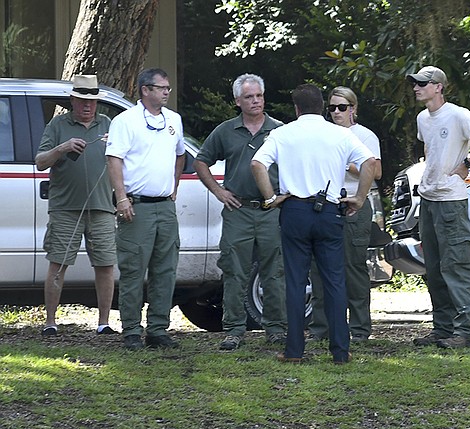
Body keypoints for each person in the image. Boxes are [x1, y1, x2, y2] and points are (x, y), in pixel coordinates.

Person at [251, 83, 378, 364]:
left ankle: (295, 349)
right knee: (335, 280)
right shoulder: (339, 134)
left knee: (296, 281)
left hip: (295, 210)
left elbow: (257, 164)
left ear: (296, 108)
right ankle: (340, 350)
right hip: (330, 211)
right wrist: (359, 197)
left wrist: (271, 198)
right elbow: (370, 162)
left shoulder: (282, 133)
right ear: (322, 106)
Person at [406, 66, 470, 349]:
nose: (417, 88)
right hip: (429, 200)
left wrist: (468, 163)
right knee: (434, 268)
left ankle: (464, 332)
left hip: (451, 201)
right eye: (415, 84)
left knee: (456, 266)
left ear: (438, 87)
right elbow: (430, 151)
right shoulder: (423, 118)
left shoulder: (459, 114)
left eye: (423, 83)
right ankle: (442, 329)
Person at [194, 74, 288, 350]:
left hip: (271, 210)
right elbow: (201, 161)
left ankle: (276, 329)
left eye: (259, 95)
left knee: (275, 271)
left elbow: (295, 164)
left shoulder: (279, 130)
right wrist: (219, 191)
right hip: (239, 210)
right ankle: (233, 330)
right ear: (237, 101)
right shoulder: (225, 131)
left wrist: (284, 196)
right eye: (249, 97)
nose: (255, 101)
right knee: (235, 271)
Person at [106, 68, 186, 350]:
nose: (166, 92)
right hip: (136, 205)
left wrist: (173, 186)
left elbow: (181, 154)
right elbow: (114, 159)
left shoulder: (173, 120)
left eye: (168, 88)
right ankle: (130, 330)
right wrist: (122, 198)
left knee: (165, 269)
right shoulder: (126, 121)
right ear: (145, 90)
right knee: (133, 269)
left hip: (164, 207)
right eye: (161, 87)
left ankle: (158, 329)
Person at [35, 74, 116, 336]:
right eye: (82, 100)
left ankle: (104, 323)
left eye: (92, 101)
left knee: (105, 263)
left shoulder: (108, 125)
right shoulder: (58, 125)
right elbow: (40, 162)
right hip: (65, 208)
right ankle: (50, 322)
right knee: (58, 263)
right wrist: (62, 148)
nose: (87, 106)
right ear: (72, 100)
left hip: (102, 206)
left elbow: (125, 158)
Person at [307, 86, 383, 344]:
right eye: (332, 108)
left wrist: (347, 165)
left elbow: (377, 171)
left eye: (342, 107)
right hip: (325, 204)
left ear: (354, 109)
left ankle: (360, 329)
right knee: (319, 268)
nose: (336, 112)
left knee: (353, 267)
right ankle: (321, 328)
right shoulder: (323, 134)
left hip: (355, 205)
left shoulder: (365, 136)